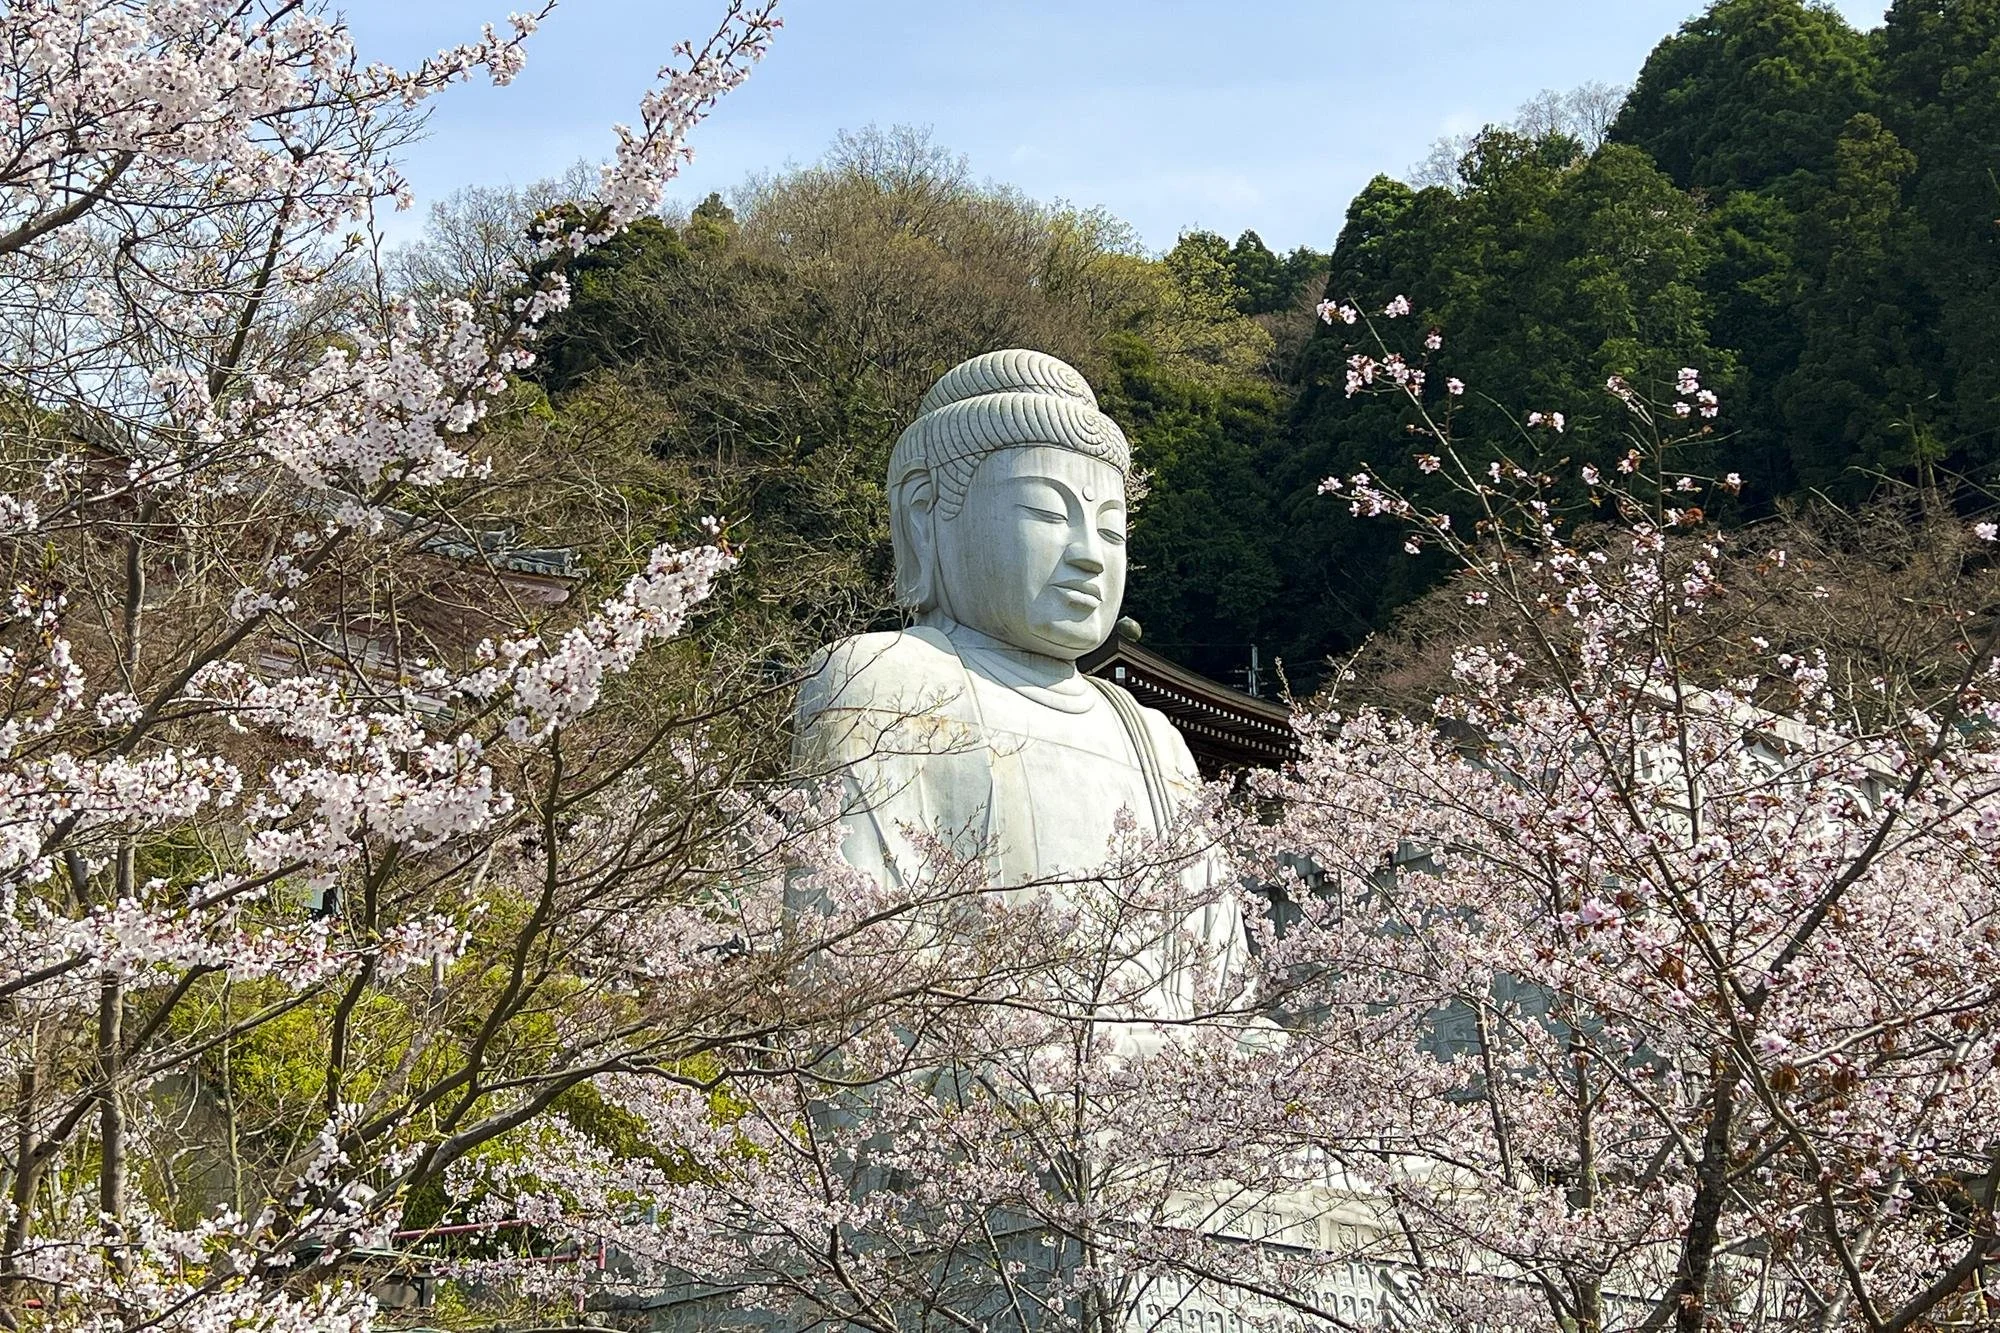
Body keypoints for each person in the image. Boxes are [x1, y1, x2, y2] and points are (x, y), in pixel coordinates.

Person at [795, 349, 1244, 1022]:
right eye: (1046, 512)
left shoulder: (1156, 742)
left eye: (1111, 526)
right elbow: (844, 979)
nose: (1090, 551)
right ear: (925, 517)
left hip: (1175, 1113)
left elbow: (1226, 1011)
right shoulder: (883, 683)